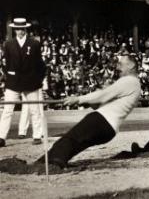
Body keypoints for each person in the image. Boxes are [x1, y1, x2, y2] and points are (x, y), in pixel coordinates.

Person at [35, 55, 141, 168]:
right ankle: (46, 163)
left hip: (101, 121)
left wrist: (77, 99)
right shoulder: (133, 83)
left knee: (69, 140)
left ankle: (47, 164)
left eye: (120, 64)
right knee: (74, 145)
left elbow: (102, 96)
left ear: (131, 65)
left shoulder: (129, 81)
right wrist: (97, 94)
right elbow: (98, 103)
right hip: (108, 128)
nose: (117, 67)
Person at [0, 18, 46, 148]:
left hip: (30, 82)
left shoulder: (34, 43)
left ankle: (37, 135)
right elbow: (7, 64)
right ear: (14, 29)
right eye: (17, 29)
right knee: (7, 109)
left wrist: (38, 80)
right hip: (13, 82)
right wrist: (10, 75)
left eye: (22, 28)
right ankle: (1, 137)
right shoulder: (8, 44)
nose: (19, 31)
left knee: (34, 109)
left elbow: (40, 64)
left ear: (25, 29)